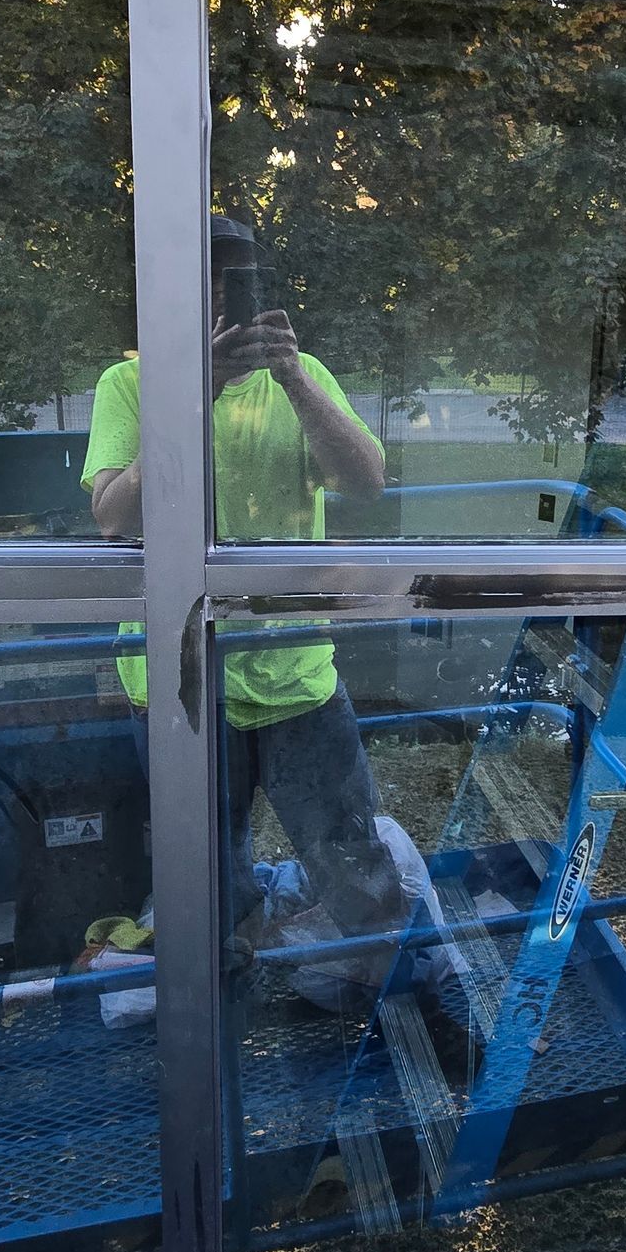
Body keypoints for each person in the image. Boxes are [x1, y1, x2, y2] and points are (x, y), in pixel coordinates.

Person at [82, 218, 409, 987]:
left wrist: (293, 378)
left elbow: (365, 483)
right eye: (206, 286)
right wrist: (196, 389)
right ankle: (222, 1016)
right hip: (180, 684)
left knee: (352, 858)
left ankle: (391, 996)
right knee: (204, 873)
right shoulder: (128, 385)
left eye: (236, 285)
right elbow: (113, 516)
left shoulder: (304, 376)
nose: (222, 302)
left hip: (296, 676)